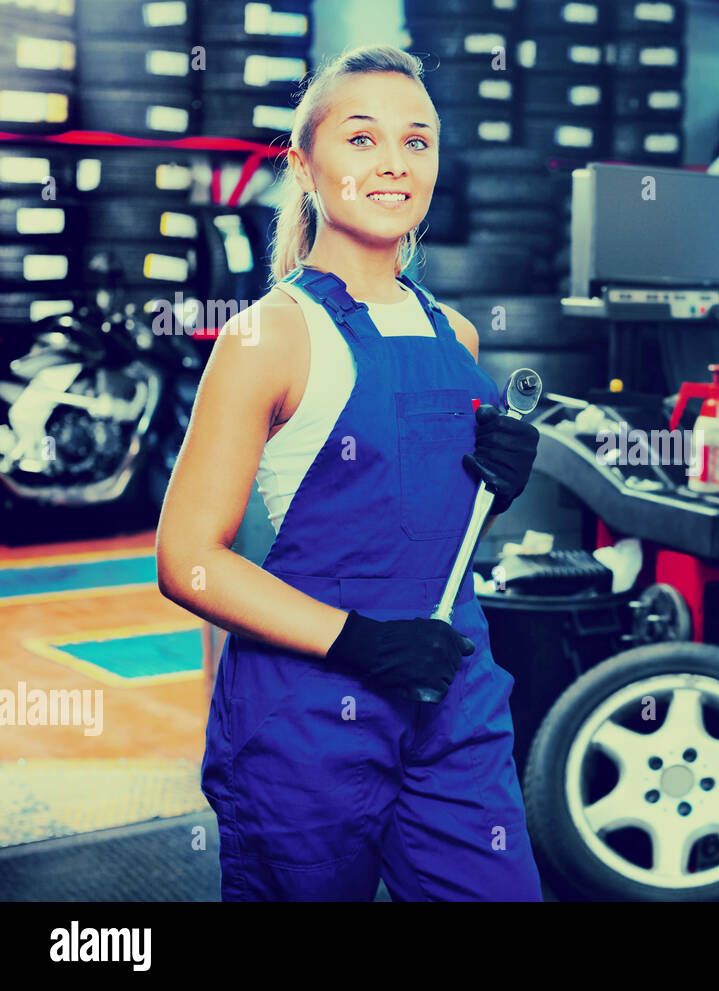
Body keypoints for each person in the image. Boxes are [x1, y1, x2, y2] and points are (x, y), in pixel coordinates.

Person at [156, 45, 543, 900]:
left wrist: (496, 488)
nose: (395, 163)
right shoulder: (270, 335)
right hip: (307, 717)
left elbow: (422, 525)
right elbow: (186, 557)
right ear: (304, 164)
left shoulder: (460, 337)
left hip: (452, 696)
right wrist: (363, 641)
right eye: (362, 138)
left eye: (418, 140)